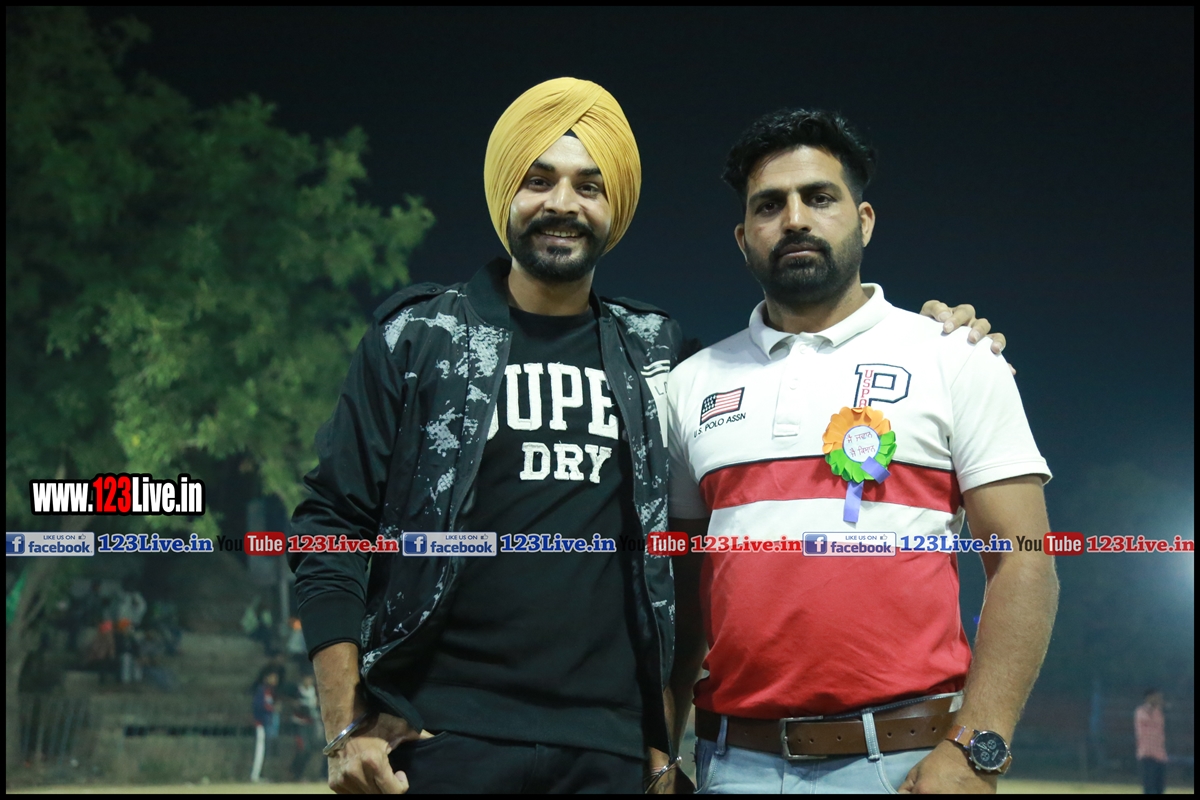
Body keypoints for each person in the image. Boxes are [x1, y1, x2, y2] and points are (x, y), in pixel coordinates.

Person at [290, 79, 1001, 795]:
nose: (563, 203)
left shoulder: (659, 357)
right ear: (505, 192)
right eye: (538, 180)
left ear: (615, 208)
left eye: (589, 186)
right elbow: (331, 525)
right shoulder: (419, 339)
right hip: (439, 742)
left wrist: (937, 336)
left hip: (610, 756)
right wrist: (345, 723)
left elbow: (682, 570)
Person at [666, 109, 1059, 794]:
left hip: (907, 765)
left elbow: (1025, 563)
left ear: (865, 220)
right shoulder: (690, 384)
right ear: (743, 237)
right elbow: (682, 590)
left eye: (819, 197)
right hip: (730, 764)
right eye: (769, 205)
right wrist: (661, 748)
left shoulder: (956, 355)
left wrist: (977, 747)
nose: (794, 219)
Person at [251, 667, 282, 783]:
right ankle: (255, 776)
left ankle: (260, 774)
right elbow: (258, 706)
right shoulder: (261, 690)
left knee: (264, 750)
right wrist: (272, 708)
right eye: (272, 677)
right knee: (260, 750)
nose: (275, 680)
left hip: (267, 724)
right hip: (261, 724)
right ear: (266, 678)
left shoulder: (271, 691)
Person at [1135, 688, 1168, 794]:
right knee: (1149, 786)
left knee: (1160, 787)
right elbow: (1146, 724)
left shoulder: (1159, 712)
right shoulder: (1141, 711)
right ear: (1149, 698)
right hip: (1147, 753)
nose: (1159, 699)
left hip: (1160, 754)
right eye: (1156, 697)